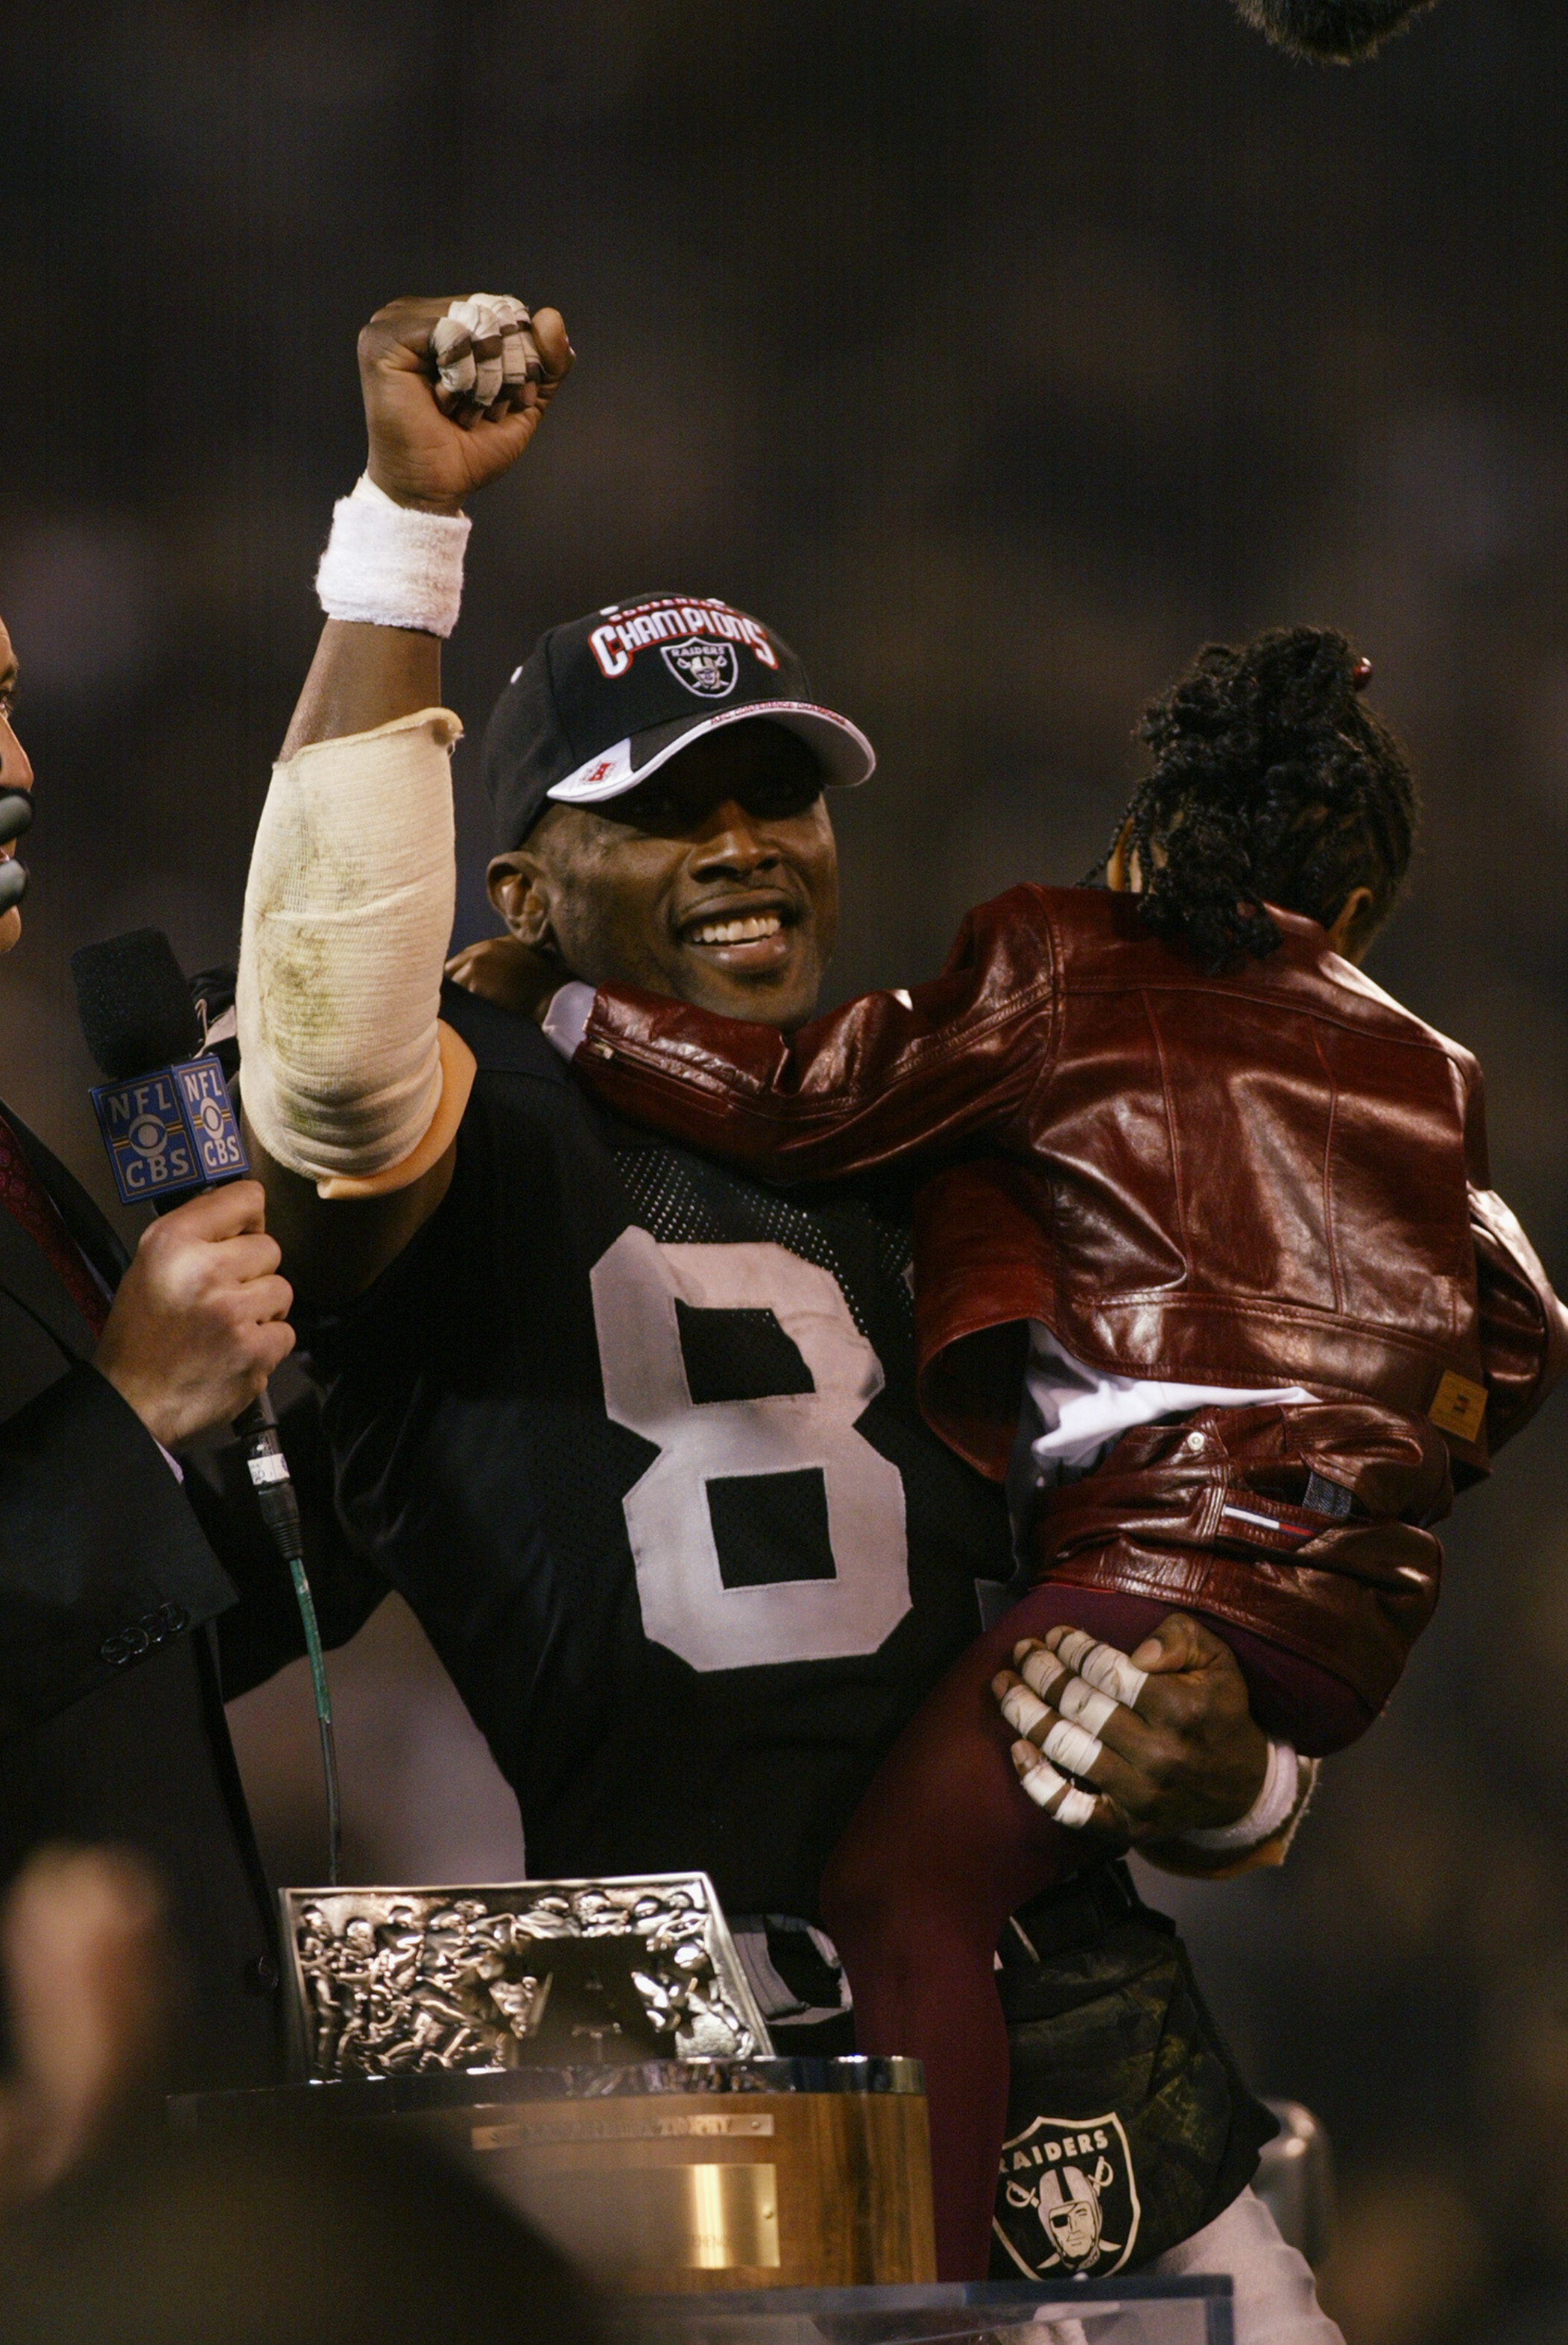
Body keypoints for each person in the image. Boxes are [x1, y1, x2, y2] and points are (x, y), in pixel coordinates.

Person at [232, 289, 1344, 2335]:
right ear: (520, 893)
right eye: (663, 806)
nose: (742, 846)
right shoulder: (476, 1144)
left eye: (773, 792)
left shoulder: (938, 1109)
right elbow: (323, 1049)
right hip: (688, 2120)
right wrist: (402, 527)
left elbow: (1174, 1564)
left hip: (1096, 2082)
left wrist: (1244, 1779)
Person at [528, 620, 1567, 2275]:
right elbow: (1517, 1324)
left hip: (1143, 1587)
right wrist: (1385, 1436)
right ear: (1360, 911)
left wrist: (573, 1018)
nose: (737, 851)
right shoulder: (1429, 1072)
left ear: (1138, 846)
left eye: (772, 799)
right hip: (1342, 1598)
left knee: (899, 1894)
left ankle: (915, 2308)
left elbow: (812, 1096)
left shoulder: (1055, 963)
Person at [0, 622, 300, 2087]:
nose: (17, 769)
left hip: (155, 2128)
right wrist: (127, 1416)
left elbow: (158, 1647)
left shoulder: (11, 1161)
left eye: (6, 701)